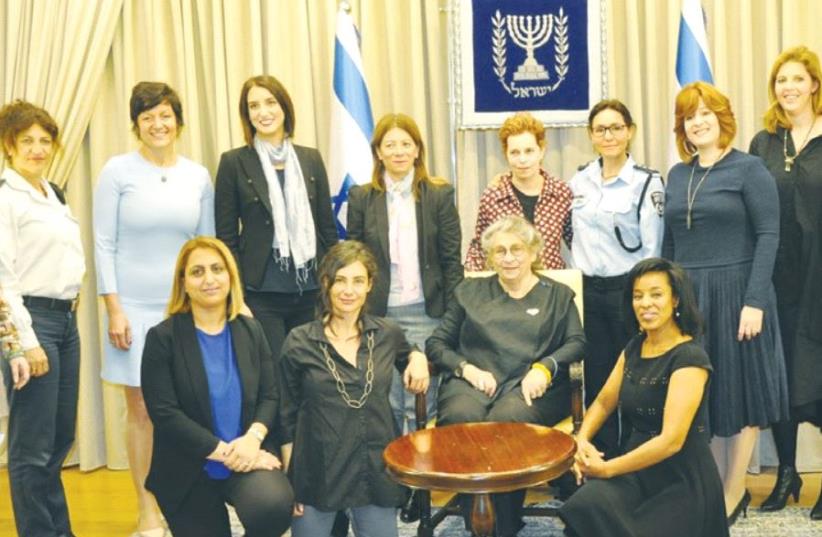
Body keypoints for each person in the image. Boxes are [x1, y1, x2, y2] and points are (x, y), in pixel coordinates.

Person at [663, 81, 789, 520]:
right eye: (688, 117)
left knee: (745, 392)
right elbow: (669, 246)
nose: (697, 122)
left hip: (740, 294)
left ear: (721, 117)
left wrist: (755, 299)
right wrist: (668, 303)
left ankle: (734, 493)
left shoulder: (750, 169)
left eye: (704, 113)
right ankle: (714, 491)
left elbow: (769, 235)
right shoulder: (678, 175)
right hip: (694, 298)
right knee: (710, 396)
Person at [94, 81, 215, 537]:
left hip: (183, 312)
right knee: (142, 409)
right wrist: (114, 309)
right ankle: (147, 512)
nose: (157, 124)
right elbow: (104, 243)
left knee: (187, 408)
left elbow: (207, 249)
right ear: (136, 125)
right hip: (133, 309)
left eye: (165, 115)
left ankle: (187, 503)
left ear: (178, 121)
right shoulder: (116, 171)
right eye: (147, 117)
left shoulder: (197, 175)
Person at [427, 215, 584, 537]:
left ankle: (502, 525)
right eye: (500, 251)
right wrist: (466, 369)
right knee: (462, 416)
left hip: (531, 386)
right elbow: (437, 343)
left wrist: (545, 367)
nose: (509, 257)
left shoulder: (557, 294)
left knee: (508, 421)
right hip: (474, 380)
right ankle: (477, 518)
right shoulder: (468, 291)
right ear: (489, 257)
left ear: (533, 252)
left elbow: (577, 342)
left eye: (517, 249)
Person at [559, 258, 729, 537]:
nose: (645, 303)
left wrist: (606, 469)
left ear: (676, 300)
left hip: (680, 480)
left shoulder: (690, 358)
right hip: (636, 470)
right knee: (585, 506)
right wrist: (582, 439)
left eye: (656, 294)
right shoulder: (635, 347)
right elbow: (603, 402)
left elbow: (670, 441)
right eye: (638, 296)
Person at [141, 236, 293, 537]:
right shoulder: (163, 338)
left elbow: (270, 395)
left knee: (273, 506)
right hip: (189, 466)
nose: (209, 279)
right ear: (183, 282)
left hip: (248, 451)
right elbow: (165, 414)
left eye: (217, 269)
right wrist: (228, 453)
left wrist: (253, 438)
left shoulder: (251, 329)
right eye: (197, 272)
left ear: (230, 276)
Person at [279, 240, 429, 537]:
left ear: (370, 285)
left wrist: (418, 356)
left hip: (372, 471)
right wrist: (290, 482)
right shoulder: (299, 341)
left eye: (358, 281)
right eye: (341, 280)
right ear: (326, 283)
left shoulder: (387, 334)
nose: (349, 290)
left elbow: (406, 352)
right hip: (317, 474)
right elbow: (286, 416)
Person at [0, 100, 85, 537]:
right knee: (31, 448)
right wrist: (24, 342)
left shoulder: (53, 192)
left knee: (58, 439)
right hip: (31, 323)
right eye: (27, 141)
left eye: (44, 141)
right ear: (9, 145)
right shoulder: (5, 197)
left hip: (66, 324)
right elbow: (3, 279)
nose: (37, 149)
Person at [347, 112, 462, 435]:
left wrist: (453, 316)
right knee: (390, 398)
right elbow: (354, 259)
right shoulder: (361, 197)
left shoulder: (439, 195)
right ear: (378, 152)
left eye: (406, 144)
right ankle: (397, 476)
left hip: (429, 312)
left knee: (423, 396)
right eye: (390, 144)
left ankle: (423, 471)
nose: (398, 151)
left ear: (417, 150)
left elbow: (452, 260)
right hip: (381, 314)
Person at [215, 74, 338, 366]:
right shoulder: (233, 162)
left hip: (310, 289)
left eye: (270, 102)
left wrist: (333, 286)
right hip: (260, 293)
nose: (263, 112)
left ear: (284, 107)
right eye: (253, 106)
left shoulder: (310, 158)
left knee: (314, 373)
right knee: (276, 374)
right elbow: (226, 239)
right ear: (247, 115)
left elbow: (326, 230)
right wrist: (237, 296)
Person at [749, 45, 822, 519]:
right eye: (781, 81)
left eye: (797, 79)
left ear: (815, 84)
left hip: (821, 277)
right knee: (781, 377)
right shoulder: (764, 143)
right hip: (777, 279)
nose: (788, 88)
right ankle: (787, 473)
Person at [568, 99, 665, 458]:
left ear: (630, 132)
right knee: (596, 378)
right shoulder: (580, 179)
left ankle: (635, 456)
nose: (608, 135)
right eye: (600, 129)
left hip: (628, 292)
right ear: (591, 136)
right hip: (587, 292)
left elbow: (653, 250)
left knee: (634, 377)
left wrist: (648, 299)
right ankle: (602, 456)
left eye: (616, 128)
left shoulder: (645, 183)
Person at [464, 112, 572, 271]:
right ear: (506, 155)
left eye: (529, 151)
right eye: (515, 152)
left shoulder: (561, 193)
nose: (522, 160)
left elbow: (577, 242)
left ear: (541, 151)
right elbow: (480, 248)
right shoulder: (493, 196)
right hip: (507, 286)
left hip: (550, 286)